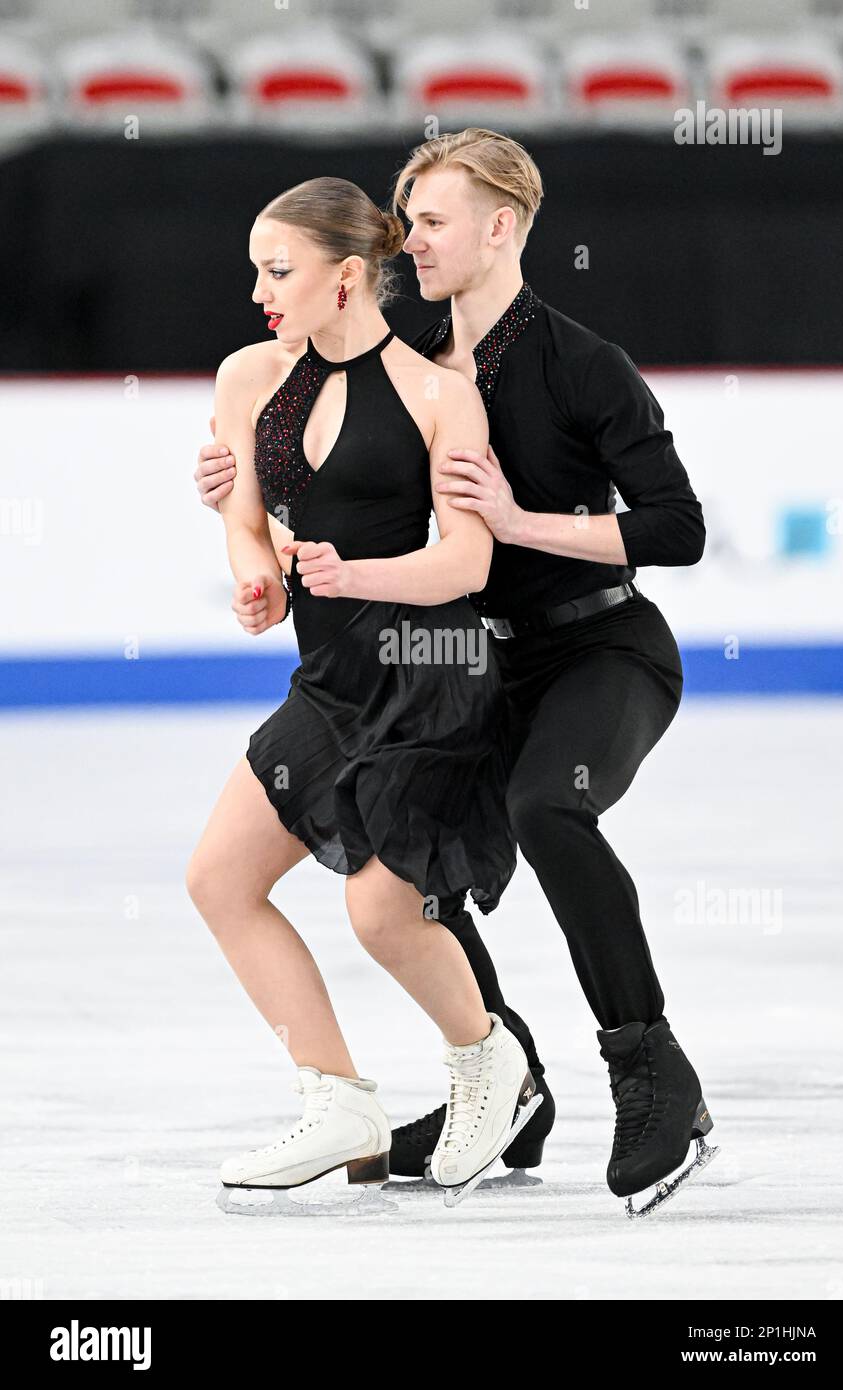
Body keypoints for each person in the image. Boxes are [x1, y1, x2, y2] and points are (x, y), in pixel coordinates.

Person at [195, 131, 717, 1217]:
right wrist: (236, 478)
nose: (410, 238)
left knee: (543, 809)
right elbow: (311, 442)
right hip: (463, 660)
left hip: (596, 645)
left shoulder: (579, 362)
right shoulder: (406, 351)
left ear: (501, 228)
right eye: (405, 217)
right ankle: (503, 1076)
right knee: (405, 851)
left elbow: (677, 527)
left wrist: (523, 519)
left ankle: (649, 1067)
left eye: (430, 220)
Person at [185, 175, 540, 1205]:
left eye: (278, 271)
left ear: (347, 279)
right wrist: (254, 574)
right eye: (256, 269)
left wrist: (352, 575)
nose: (260, 289)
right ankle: (337, 1095)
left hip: (434, 678)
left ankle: (489, 1062)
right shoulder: (250, 377)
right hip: (331, 679)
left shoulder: (440, 394)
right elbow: (246, 520)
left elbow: (467, 563)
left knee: (380, 907)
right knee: (219, 878)